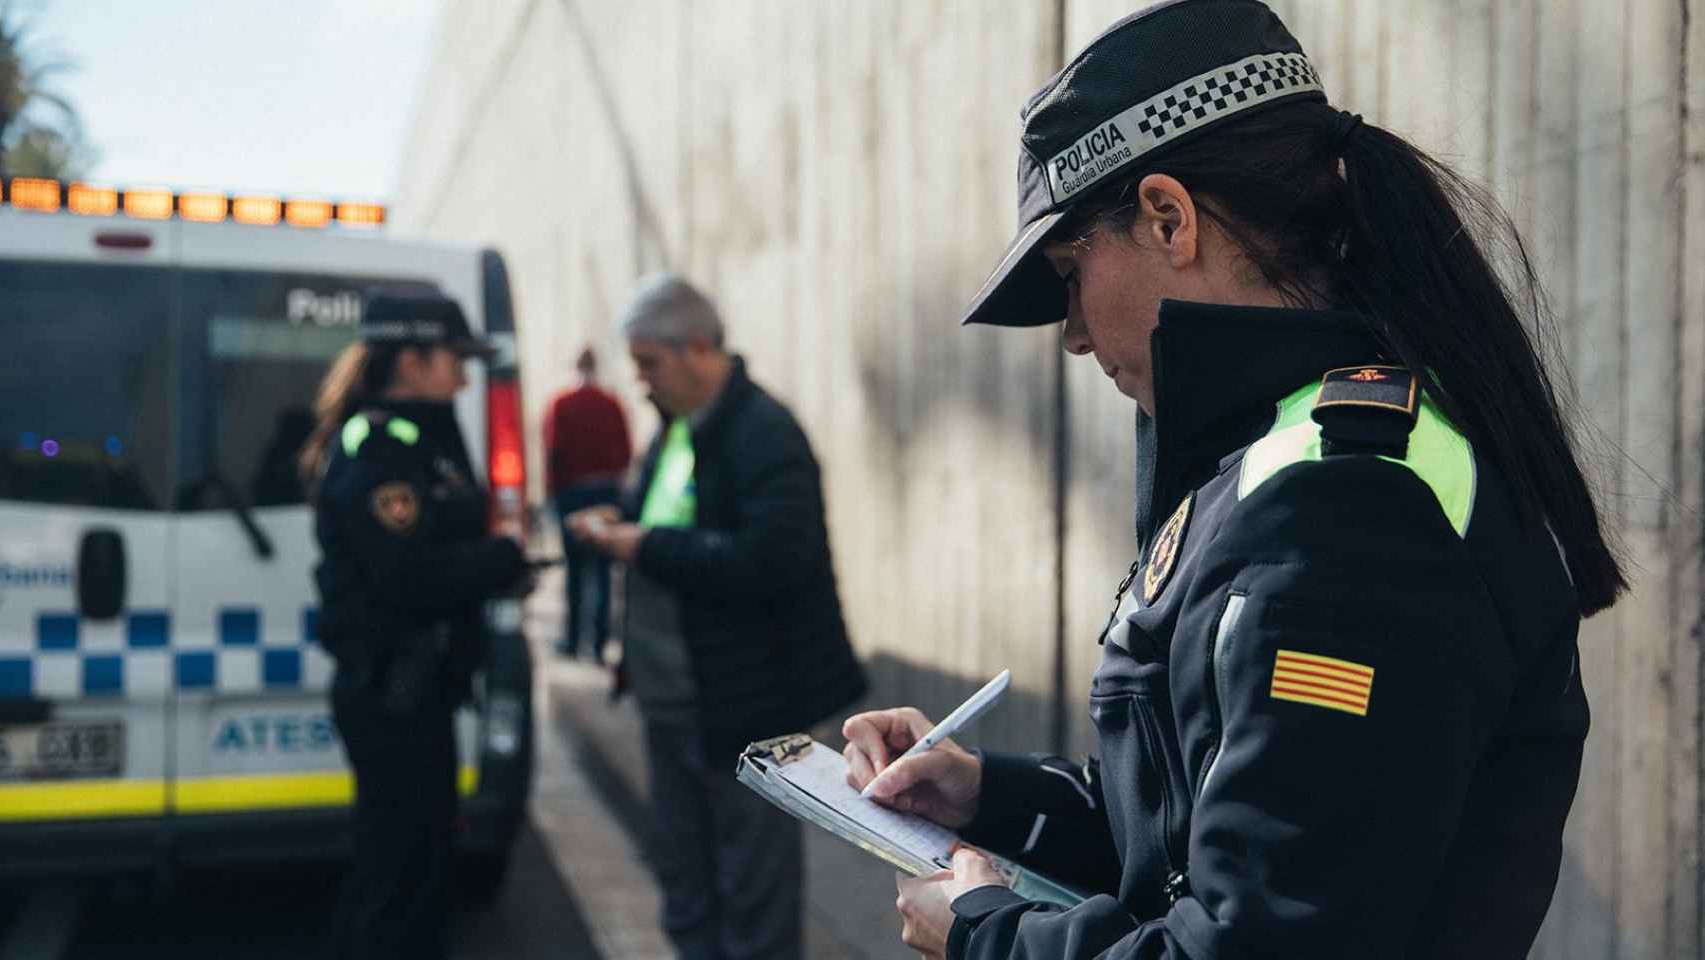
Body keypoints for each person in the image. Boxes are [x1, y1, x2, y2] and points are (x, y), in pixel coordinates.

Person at [840, 2, 1627, 958]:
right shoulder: (1271, 463)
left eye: (1069, 273)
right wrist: (988, 792)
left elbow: (1263, 939)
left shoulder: (1348, 506)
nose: (1076, 335)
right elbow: (1218, 827)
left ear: (1169, 218)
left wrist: (988, 938)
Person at [570, 274, 867, 960]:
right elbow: (666, 522)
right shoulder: (674, 431)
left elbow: (772, 559)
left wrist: (642, 544)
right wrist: (623, 527)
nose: (640, 382)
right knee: (686, 884)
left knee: (755, 897)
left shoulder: (765, 433)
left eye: (650, 363)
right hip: (671, 702)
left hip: (744, 708)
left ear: (698, 349)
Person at [301, 291, 528, 960]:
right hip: (390, 695)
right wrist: (504, 557)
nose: (464, 377)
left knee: (416, 869)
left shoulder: (419, 438)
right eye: (454, 361)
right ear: (412, 359)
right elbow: (409, 575)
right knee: (396, 881)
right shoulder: (380, 448)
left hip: (417, 691)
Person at [543, 345, 632, 661]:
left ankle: (571, 639)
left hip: (574, 492)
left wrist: (552, 493)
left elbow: (554, 451)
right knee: (603, 571)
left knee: (576, 570)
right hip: (605, 492)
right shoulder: (611, 404)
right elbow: (624, 451)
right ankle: (596, 644)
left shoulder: (562, 404)